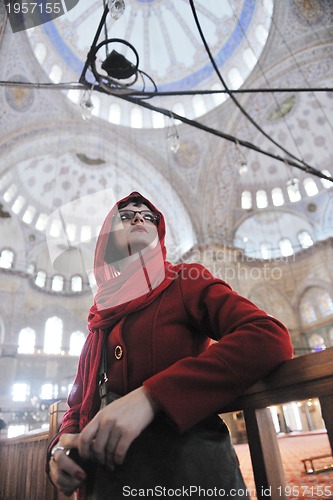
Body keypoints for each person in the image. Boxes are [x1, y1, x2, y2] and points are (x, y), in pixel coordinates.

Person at [47, 192, 293, 499]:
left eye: (148, 216)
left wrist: (152, 398)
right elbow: (78, 402)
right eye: (126, 215)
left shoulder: (184, 282)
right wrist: (59, 448)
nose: (139, 217)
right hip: (108, 484)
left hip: (191, 474)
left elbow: (267, 336)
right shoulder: (100, 318)